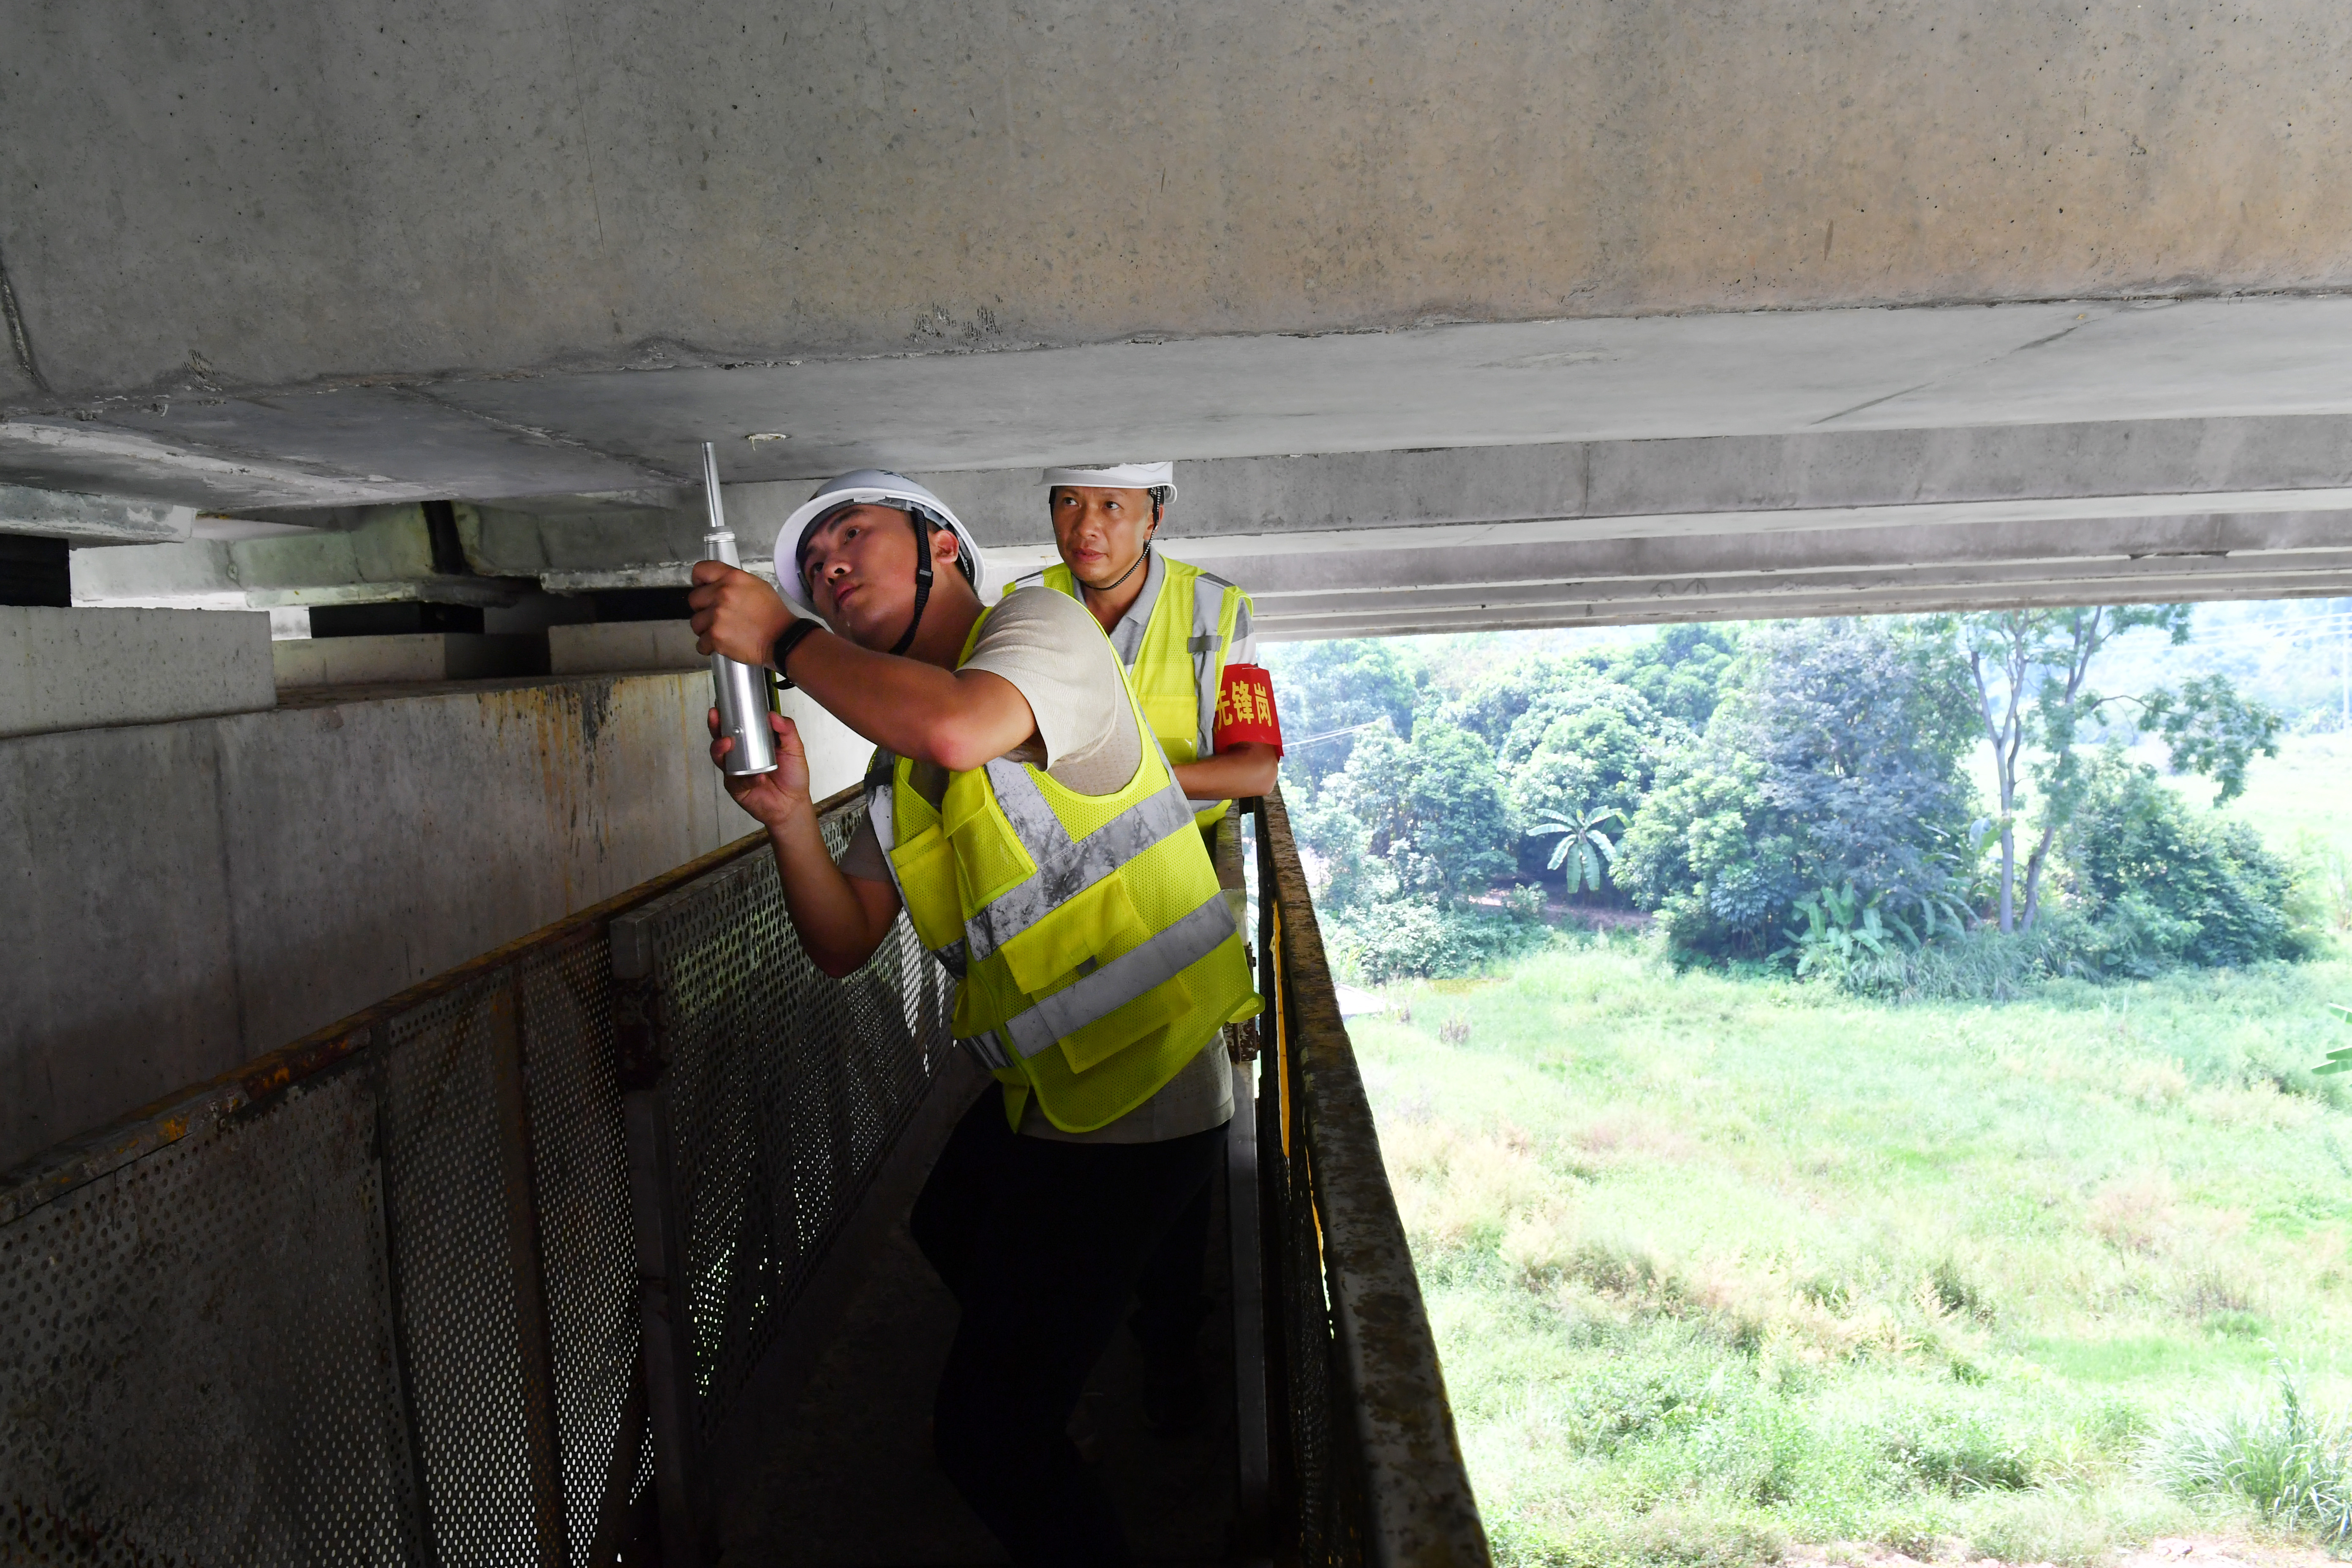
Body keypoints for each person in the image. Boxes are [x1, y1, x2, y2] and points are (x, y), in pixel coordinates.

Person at [687, 468, 1262, 1565]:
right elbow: (846, 936)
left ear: (941, 545)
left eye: (851, 537)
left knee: (985, 1441)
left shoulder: (1036, 630)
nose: (830, 567)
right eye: (812, 569)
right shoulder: (904, 763)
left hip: (1143, 1090)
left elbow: (965, 729)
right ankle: (1053, 1385)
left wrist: (786, 638)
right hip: (1060, 1091)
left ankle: (1049, 1411)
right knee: (954, 1217)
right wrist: (787, 819)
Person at [1009, 462, 1284, 1435]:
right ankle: (1074, 1345)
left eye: (1112, 507)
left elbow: (1252, 766)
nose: (1087, 527)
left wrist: (1129, 787)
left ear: (1155, 515)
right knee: (1067, 1120)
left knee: (1174, 1126)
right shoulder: (1021, 608)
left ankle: (1168, 1344)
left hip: (1174, 901)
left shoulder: (1218, 609)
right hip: (1061, 907)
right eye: (1069, 505)